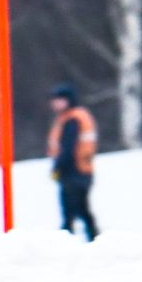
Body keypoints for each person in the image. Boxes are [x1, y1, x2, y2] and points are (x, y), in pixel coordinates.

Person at [47, 81, 100, 240]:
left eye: (60, 99)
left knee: (71, 211)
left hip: (74, 172)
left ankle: (70, 241)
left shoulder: (72, 119)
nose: (56, 103)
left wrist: (58, 167)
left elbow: (68, 147)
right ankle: (93, 239)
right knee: (81, 209)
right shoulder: (74, 117)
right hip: (82, 170)